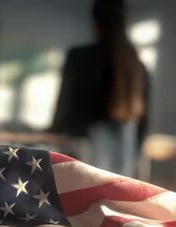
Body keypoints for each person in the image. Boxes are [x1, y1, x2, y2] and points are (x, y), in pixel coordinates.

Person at [50, 0, 148, 176]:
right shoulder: (138, 66)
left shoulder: (80, 57)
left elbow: (65, 108)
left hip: (83, 155)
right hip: (124, 159)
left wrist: (53, 131)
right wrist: (136, 156)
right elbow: (143, 122)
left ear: (96, 23)